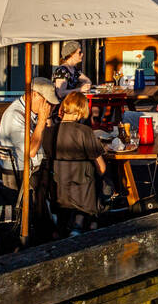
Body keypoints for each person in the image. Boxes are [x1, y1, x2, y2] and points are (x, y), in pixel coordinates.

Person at [45, 93, 110, 236]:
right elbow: (102, 167)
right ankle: (84, 220)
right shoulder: (84, 132)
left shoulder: (50, 132)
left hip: (58, 190)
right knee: (105, 178)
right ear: (81, 110)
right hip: (84, 191)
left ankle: (76, 222)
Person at [0, 79, 55, 174]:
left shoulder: (30, 111)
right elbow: (31, 152)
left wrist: (48, 117)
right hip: (21, 172)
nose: (48, 106)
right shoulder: (15, 115)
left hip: (33, 168)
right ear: (34, 94)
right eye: (47, 101)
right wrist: (42, 121)